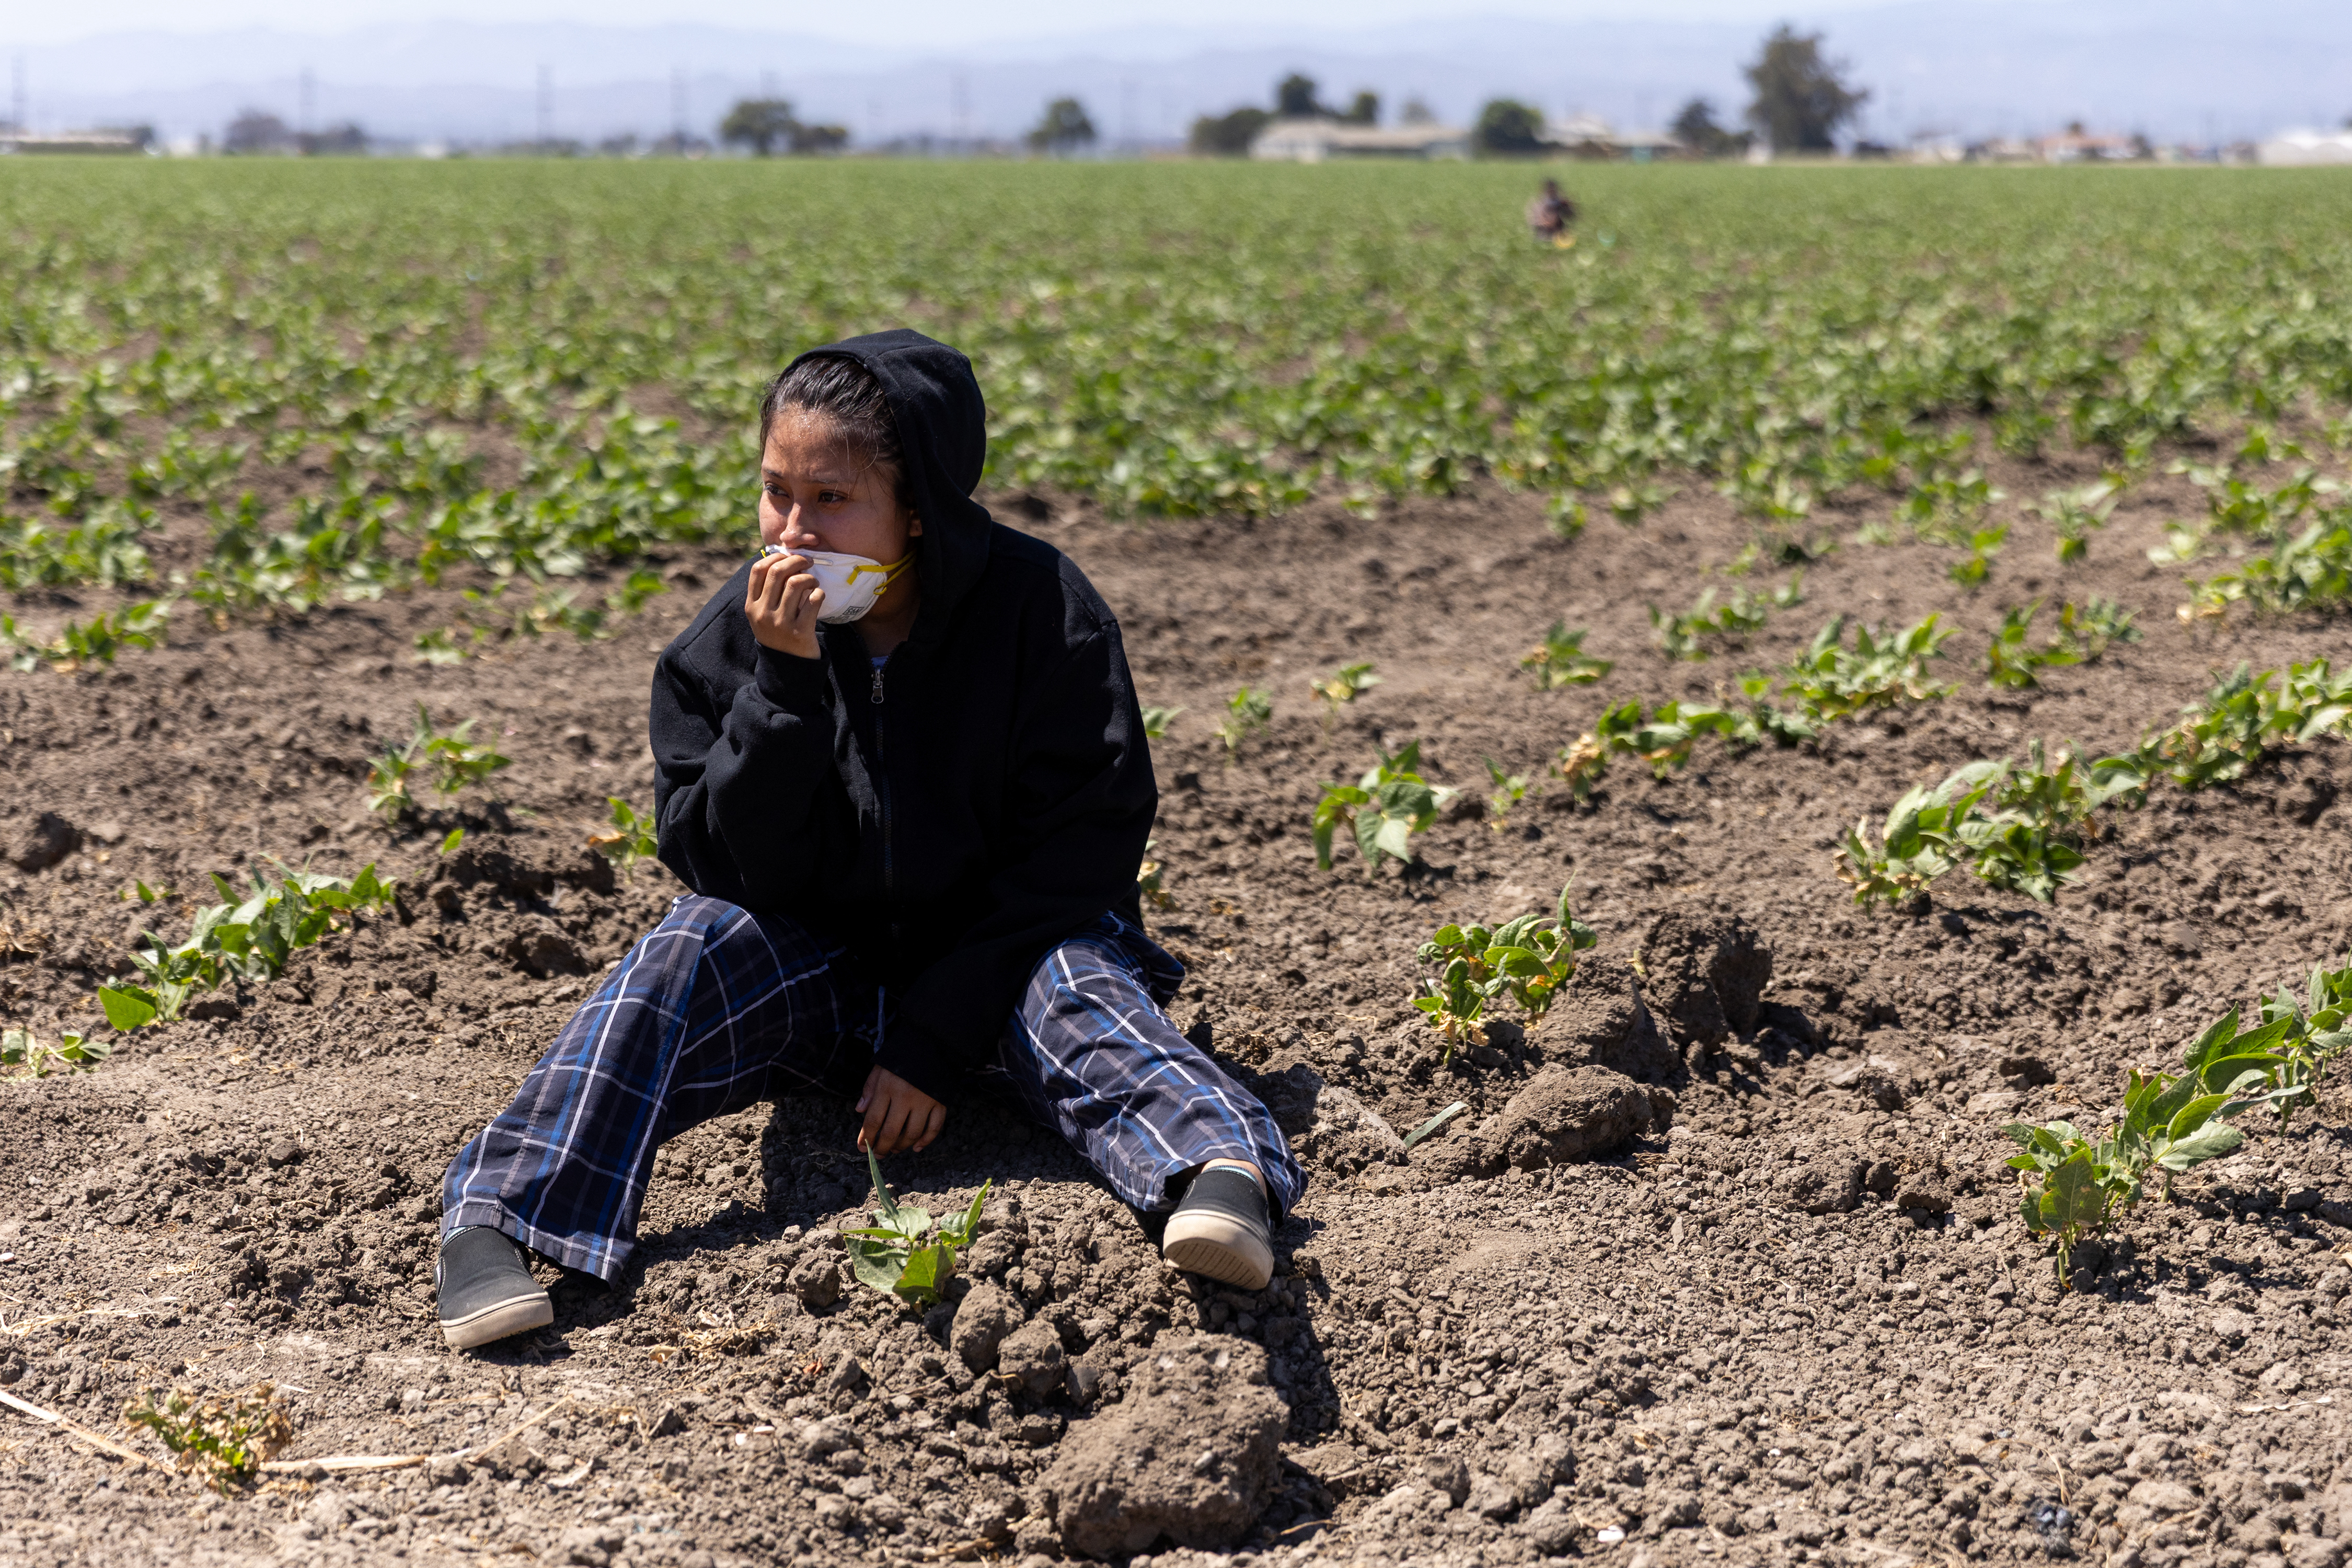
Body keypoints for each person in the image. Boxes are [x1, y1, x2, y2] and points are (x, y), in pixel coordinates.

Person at [432, 329, 1305, 1351]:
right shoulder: (732, 641)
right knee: (683, 949)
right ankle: (498, 1219)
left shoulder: (1040, 612)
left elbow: (1083, 854)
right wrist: (787, 685)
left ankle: (1218, 1170)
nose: (793, 532)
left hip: (1003, 972)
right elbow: (724, 866)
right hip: (828, 984)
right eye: (775, 495)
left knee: (1074, 979)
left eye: (832, 500)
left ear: (919, 509)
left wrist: (934, 1037)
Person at [1525, 178, 1577, 248]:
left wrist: (1569, 206)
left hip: (1559, 237)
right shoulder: (1538, 204)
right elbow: (1538, 222)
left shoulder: (1561, 202)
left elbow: (1573, 217)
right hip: (1545, 235)